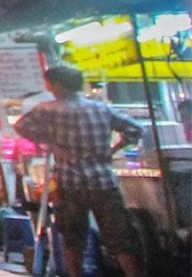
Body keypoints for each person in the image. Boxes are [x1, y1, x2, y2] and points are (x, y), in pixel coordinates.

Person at [12, 65, 145, 277]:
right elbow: (135, 129)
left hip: (70, 182)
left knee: (73, 238)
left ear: (58, 85)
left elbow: (20, 126)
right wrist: (113, 150)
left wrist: (50, 144)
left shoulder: (48, 109)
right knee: (121, 238)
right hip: (103, 181)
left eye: (50, 84)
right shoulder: (101, 108)